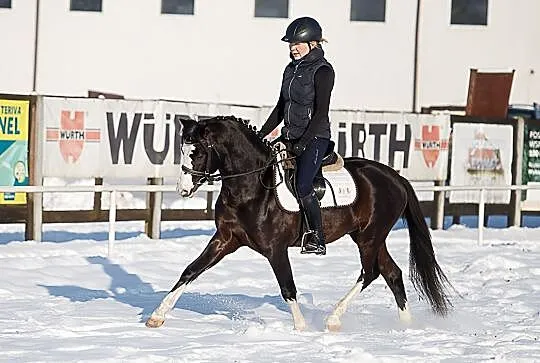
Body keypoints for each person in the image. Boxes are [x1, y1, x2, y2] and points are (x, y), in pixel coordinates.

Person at [258, 17, 335, 256]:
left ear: (313, 43)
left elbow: (321, 113)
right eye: (290, 44)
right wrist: (259, 135)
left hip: (315, 138)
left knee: (302, 185)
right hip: (290, 136)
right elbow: (281, 108)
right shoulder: (290, 69)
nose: (293, 47)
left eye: (297, 43)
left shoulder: (323, 71)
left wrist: (303, 143)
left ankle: (317, 237)